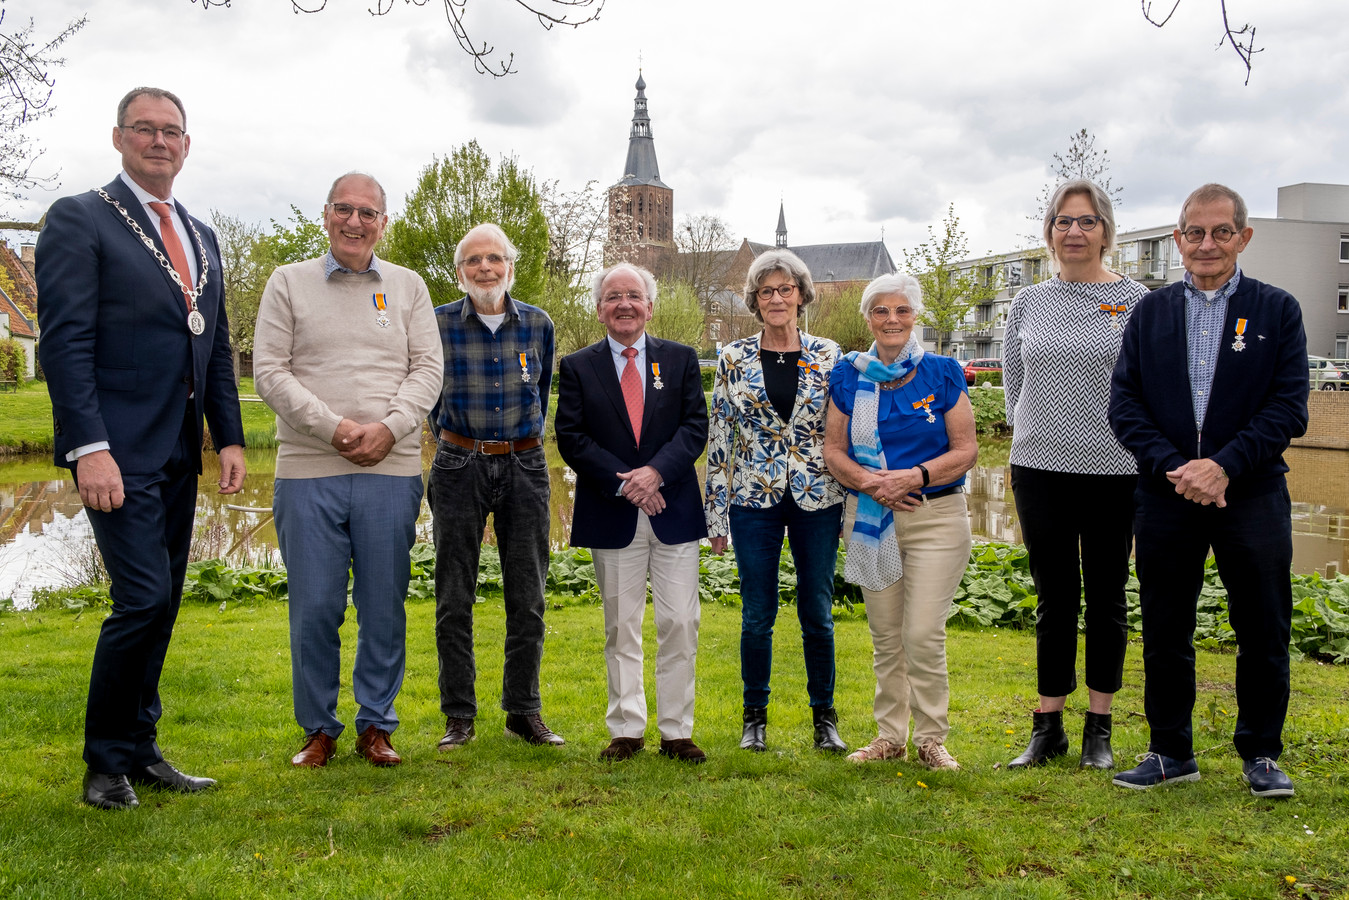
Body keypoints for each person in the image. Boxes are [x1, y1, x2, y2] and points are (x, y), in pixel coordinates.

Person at [35, 87, 246, 810]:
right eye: (145, 129)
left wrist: (230, 438)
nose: (160, 141)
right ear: (119, 137)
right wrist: (87, 446)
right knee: (141, 599)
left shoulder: (202, 236)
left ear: (187, 145)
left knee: (164, 605)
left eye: (172, 131)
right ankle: (103, 765)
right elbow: (64, 343)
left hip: (180, 451)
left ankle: (143, 749)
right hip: (116, 451)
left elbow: (214, 345)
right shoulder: (80, 219)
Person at [1109, 183, 1308, 797]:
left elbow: (1288, 410)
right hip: (1167, 496)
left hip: (1250, 495)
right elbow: (1125, 404)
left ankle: (1262, 754)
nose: (1207, 243)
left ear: (1244, 238)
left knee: (1264, 627)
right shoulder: (1150, 311)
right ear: (1178, 239)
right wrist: (1178, 467)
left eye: (1221, 231)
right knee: (1167, 627)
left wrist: (1223, 466)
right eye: (1194, 232)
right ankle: (1170, 751)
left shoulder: (1278, 311)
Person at [253, 173, 443, 769]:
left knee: (384, 604)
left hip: (392, 470)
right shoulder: (287, 283)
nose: (355, 222)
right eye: (344, 209)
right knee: (314, 606)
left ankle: (376, 726)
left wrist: (390, 428)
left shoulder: (409, 288)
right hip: (308, 469)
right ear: (326, 214)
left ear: (384, 222)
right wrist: (333, 428)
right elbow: (269, 372)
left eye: (368, 212)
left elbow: (427, 371)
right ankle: (318, 729)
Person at [1002, 180, 1148, 771]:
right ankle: (1048, 726)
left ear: (1105, 231)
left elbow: (1147, 388)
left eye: (1086, 222)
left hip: (1115, 470)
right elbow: (1015, 385)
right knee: (1054, 598)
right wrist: (1031, 437)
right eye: (1063, 222)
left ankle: (1099, 728)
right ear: (1050, 232)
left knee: (1108, 598)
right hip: (1039, 468)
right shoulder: (1027, 304)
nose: (1074, 233)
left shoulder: (1137, 303)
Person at [555, 263, 709, 763]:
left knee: (680, 622)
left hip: (673, 508)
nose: (624, 303)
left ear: (650, 306)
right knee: (621, 625)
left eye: (634, 295)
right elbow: (572, 438)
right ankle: (626, 729)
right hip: (612, 510)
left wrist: (655, 474)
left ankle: (676, 731)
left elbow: (693, 428)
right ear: (599, 307)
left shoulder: (681, 359)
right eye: (613, 296)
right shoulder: (578, 366)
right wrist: (630, 483)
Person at [823, 274, 976, 770]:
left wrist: (914, 476)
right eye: (881, 311)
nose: (892, 320)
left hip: (936, 516)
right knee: (886, 637)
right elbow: (833, 450)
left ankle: (932, 738)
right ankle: (890, 737)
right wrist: (873, 485)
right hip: (870, 515)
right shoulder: (848, 374)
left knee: (922, 634)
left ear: (915, 317)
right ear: (868, 318)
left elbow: (967, 449)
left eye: (902, 311)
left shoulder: (943, 371)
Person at [704, 249, 847, 753]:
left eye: (786, 289)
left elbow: (845, 434)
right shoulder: (733, 358)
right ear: (755, 300)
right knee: (756, 614)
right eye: (767, 291)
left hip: (819, 496)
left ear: (802, 296)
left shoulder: (831, 356)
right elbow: (720, 437)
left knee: (818, 611)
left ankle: (824, 719)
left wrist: (852, 507)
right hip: (752, 500)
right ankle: (754, 720)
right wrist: (715, 513)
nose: (778, 298)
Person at [429, 223, 563, 749]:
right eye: (473, 261)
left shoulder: (538, 324)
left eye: (494, 258)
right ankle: (459, 714)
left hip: (524, 466)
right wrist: (452, 439)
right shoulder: (436, 323)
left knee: (528, 596)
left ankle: (523, 710)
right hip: (458, 463)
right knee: (453, 596)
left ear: (511, 266)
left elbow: (543, 391)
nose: (484, 268)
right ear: (459, 271)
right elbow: (426, 393)